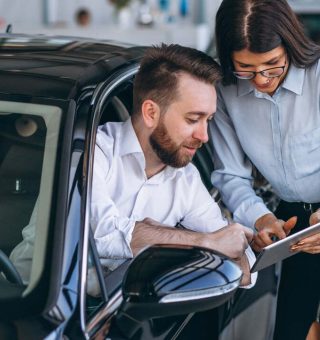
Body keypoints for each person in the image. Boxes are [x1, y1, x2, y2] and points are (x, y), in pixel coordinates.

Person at [90, 43, 257, 288]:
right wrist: (205, 242)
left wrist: (169, 238)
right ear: (150, 113)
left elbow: (246, 273)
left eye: (208, 120)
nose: (204, 135)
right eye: (193, 119)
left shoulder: (185, 180)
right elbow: (102, 233)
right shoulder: (95, 151)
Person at [210, 0, 320, 339]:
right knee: (291, 328)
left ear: (289, 44)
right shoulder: (224, 90)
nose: (261, 80)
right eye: (246, 68)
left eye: (272, 65)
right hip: (293, 226)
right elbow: (230, 174)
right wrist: (259, 217)